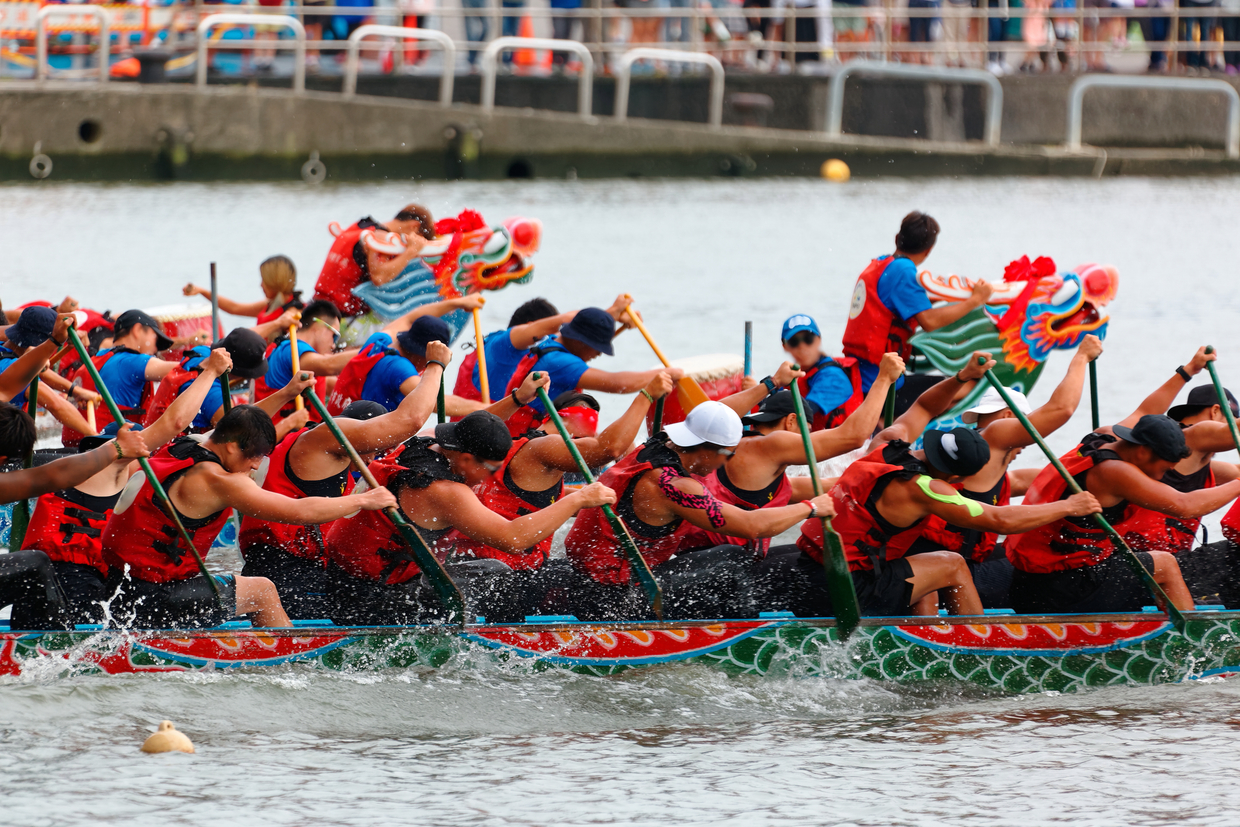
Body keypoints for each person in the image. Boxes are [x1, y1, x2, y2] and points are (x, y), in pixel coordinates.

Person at [783, 352, 1102, 618]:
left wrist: (963, 377)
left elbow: (924, 407)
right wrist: (1070, 506)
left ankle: (934, 637)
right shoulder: (926, 490)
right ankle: (979, 653)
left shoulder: (889, 444)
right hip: (846, 589)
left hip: (813, 566)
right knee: (951, 564)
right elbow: (1001, 519)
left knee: (928, 566)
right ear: (956, 477)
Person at [100, 405, 397, 629]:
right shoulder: (220, 481)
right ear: (231, 446)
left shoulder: (184, 445)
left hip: (120, 589)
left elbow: (231, 422)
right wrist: (364, 500)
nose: (256, 467)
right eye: (254, 457)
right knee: (262, 590)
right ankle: (289, 667)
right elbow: (299, 512)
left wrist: (285, 391)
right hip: (154, 598)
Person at [324, 408, 617, 625]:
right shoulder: (446, 493)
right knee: (496, 572)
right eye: (490, 470)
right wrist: (579, 498)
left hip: (342, 576)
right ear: (465, 458)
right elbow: (514, 539)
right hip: (372, 599)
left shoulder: (418, 443)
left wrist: (517, 400)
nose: (491, 477)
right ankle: (502, 645)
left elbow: (480, 423)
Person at [564, 401, 837, 621]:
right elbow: (752, 526)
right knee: (732, 559)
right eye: (728, 454)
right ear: (706, 450)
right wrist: (810, 507)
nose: (726, 463)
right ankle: (744, 633)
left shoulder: (652, 447)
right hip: (614, 597)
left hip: (594, 577)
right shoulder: (674, 486)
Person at [23, 348, 235, 625]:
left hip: (55, 587)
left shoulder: (112, 471)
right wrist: (210, 372)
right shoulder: (109, 464)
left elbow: (210, 438)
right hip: (69, 587)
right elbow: (175, 423)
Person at [904, 334, 1104, 607]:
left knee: (1022, 553)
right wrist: (1081, 357)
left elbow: (1031, 478)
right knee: (1047, 568)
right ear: (1010, 417)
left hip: (942, 565)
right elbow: (1061, 410)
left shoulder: (979, 458)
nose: (1024, 445)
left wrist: (1099, 470)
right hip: (942, 576)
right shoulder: (995, 435)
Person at [1007, 414, 1240, 615]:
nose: (1160, 478)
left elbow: (1142, 411)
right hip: (1059, 589)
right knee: (1165, 564)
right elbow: (1185, 505)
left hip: (1036, 580)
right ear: (1142, 451)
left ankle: (1169, 622)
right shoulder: (1113, 472)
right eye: (1163, 470)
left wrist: (1187, 372)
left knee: (1143, 559)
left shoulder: (1102, 440)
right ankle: (1189, 644)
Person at [681, 355, 902, 558]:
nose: (807, 438)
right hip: (718, 566)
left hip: (703, 558)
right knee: (818, 558)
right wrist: (883, 379)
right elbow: (852, 437)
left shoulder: (751, 454)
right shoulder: (772, 444)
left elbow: (831, 484)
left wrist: (885, 469)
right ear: (791, 421)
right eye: (806, 429)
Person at [0, 401, 149, 630]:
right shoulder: (95, 469)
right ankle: (49, 644)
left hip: (90, 576)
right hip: (71, 575)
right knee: (34, 564)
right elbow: (172, 424)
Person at [841, 211, 994, 394]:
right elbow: (930, 322)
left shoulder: (881, 264)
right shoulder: (903, 271)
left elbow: (898, 302)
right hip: (882, 382)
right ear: (928, 249)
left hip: (863, 370)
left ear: (897, 238)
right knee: (968, 386)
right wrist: (976, 300)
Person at [503, 305, 683, 436]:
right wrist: (667, 373)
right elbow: (617, 384)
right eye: (597, 347)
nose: (598, 354)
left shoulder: (552, 341)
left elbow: (585, 322)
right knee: (584, 416)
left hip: (520, 428)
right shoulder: (562, 363)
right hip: (521, 437)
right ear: (580, 341)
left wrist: (612, 315)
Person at [326, 314, 485, 418]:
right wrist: (485, 408)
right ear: (424, 355)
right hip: (354, 445)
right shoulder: (399, 369)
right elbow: (436, 403)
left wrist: (458, 303)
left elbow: (408, 318)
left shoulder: (379, 340)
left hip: (335, 423)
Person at [64, 308, 179, 447]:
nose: (156, 349)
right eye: (156, 339)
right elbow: (182, 371)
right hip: (108, 450)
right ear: (137, 330)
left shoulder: (94, 360)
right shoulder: (131, 361)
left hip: (78, 449)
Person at [313, 205, 436, 319]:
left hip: (317, 306)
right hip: (341, 317)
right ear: (414, 226)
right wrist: (412, 251)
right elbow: (379, 277)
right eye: (418, 238)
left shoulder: (360, 226)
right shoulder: (383, 238)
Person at [452, 297, 577, 406]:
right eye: (552, 335)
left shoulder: (500, 345)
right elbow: (568, 318)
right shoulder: (504, 346)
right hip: (480, 427)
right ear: (532, 327)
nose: (554, 342)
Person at [142, 328, 271, 433]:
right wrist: (285, 393)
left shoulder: (200, 351)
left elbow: (239, 343)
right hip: (170, 455)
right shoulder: (216, 398)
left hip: (151, 432)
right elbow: (242, 433)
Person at [253, 300, 358, 423]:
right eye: (334, 336)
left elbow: (330, 382)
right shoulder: (291, 350)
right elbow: (328, 365)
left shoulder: (290, 350)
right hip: (283, 438)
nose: (334, 345)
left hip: (302, 434)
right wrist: (374, 349)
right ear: (319, 326)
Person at [0, 307, 96, 437]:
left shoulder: (4, 346)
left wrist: (75, 390)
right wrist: (95, 438)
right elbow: (56, 405)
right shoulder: (11, 369)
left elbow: (40, 371)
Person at [778, 314, 864, 431]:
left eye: (808, 339)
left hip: (848, 446)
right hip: (818, 442)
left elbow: (806, 411)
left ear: (819, 340)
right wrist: (760, 391)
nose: (802, 346)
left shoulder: (834, 376)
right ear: (785, 346)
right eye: (794, 342)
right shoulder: (791, 376)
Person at [183, 254, 304, 332]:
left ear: (274, 281)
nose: (261, 285)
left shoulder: (293, 313)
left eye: (264, 280)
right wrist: (203, 291)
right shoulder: (270, 304)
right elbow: (234, 308)